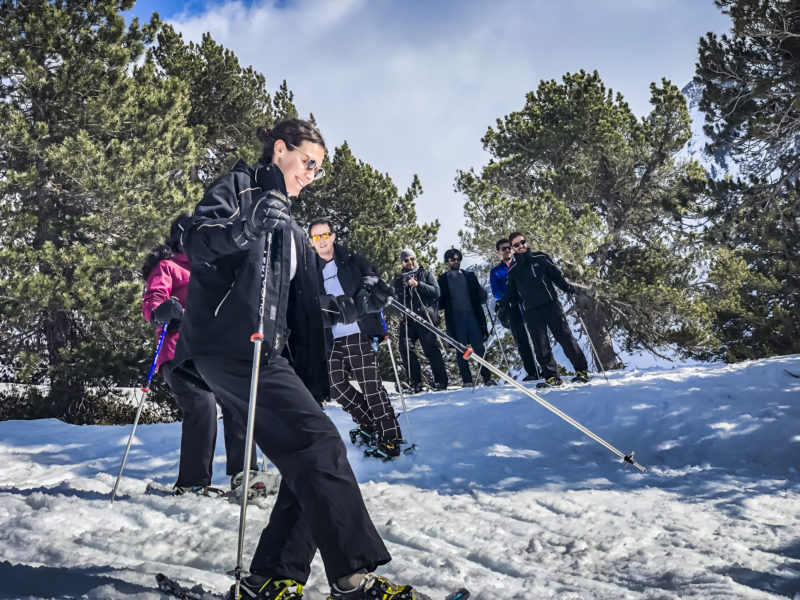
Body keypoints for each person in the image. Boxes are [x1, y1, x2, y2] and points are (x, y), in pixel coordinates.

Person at [172, 118, 416, 600]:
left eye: (318, 170)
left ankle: (275, 573)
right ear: (280, 150)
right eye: (308, 162)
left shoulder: (293, 229)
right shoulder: (240, 189)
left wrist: (357, 305)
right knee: (320, 444)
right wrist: (245, 227)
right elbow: (197, 239)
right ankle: (351, 578)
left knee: (310, 457)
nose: (311, 173)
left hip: (267, 351)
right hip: (231, 344)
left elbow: (306, 306)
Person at [141, 213, 258, 497]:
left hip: (212, 352)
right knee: (202, 403)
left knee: (236, 400)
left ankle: (246, 475)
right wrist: (162, 311)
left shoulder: (211, 267)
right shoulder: (167, 267)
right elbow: (153, 299)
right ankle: (192, 481)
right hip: (179, 353)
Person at [308, 216, 403, 459]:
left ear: (333, 236)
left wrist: (366, 290)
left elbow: (374, 283)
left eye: (324, 235)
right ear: (311, 241)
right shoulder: (310, 272)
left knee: (372, 389)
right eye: (316, 237)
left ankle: (390, 438)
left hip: (358, 333)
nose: (321, 241)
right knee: (336, 388)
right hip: (331, 339)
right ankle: (371, 425)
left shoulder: (352, 261)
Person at [505, 232, 589, 387]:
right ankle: (551, 377)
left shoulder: (540, 258)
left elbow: (557, 278)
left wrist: (570, 288)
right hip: (531, 311)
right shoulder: (512, 270)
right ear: (512, 248)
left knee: (565, 338)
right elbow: (512, 294)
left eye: (522, 242)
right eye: (516, 245)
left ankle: (581, 370)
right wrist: (505, 305)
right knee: (540, 345)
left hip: (551, 305)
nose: (521, 246)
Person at [437, 248, 496, 387]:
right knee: (461, 350)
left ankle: (487, 378)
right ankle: (467, 381)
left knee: (479, 348)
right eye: (453, 259)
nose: (456, 261)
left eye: (458, 259)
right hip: (456, 319)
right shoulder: (443, 280)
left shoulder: (469, 276)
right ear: (447, 261)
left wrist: (482, 295)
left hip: (472, 316)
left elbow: (478, 294)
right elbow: (441, 302)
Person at [392, 249, 449, 392]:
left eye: (412, 259)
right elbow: (395, 300)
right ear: (402, 263)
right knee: (404, 347)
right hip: (408, 319)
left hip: (425, 317)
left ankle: (441, 381)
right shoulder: (399, 280)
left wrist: (418, 284)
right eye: (406, 260)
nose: (410, 262)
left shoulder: (426, 274)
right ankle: (415, 382)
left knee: (430, 349)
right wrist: (401, 288)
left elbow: (436, 292)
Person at [489, 238, 539, 382]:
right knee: (522, 341)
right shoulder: (496, 271)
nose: (507, 250)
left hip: (528, 305)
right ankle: (532, 372)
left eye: (509, 248)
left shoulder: (520, 265)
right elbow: (496, 292)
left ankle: (546, 368)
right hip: (511, 308)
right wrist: (508, 297)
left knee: (538, 338)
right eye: (503, 249)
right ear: (498, 252)